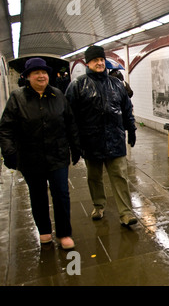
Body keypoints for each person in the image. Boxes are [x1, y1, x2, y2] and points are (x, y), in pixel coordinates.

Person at [0, 57, 80, 249]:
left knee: (61, 194)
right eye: (36, 72)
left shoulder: (58, 95)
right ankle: (44, 231)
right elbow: (6, 128)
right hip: (30, 157)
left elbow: (70, 123)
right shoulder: (17, 98)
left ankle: (64, 233)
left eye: (43, 72)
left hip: (58, 155)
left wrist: (76, 147)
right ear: (27, 76)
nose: (41, 75)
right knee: (37, 195)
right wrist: (9, 152)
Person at [65, 45, 138, 226]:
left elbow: (127, 110)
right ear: (88, 63)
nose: (99, 63)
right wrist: (74, 143)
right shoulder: (77, 85)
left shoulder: (116, 84)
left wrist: (132, 130)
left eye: (101, 59)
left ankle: (126, 213)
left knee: (120, 176)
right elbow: (69, 116)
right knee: (94, 177)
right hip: (91, 141)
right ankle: (98, 205)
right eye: (95, 60)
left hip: (115, 139)